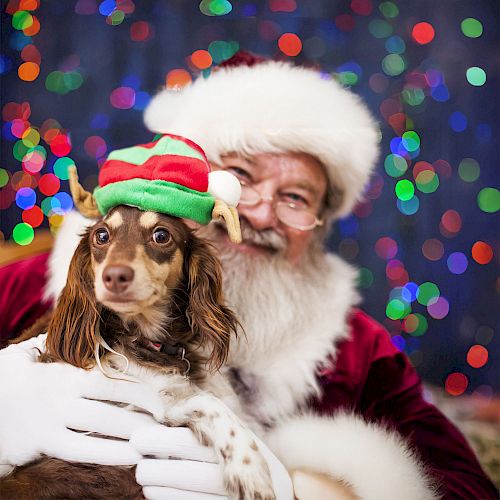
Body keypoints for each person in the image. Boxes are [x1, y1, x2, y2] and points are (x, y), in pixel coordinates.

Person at [0, 52, 497, 499]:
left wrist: (315, 492)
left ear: (319, 224)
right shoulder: (49, 282)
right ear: (181, 186)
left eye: (296, 198)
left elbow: (466, 485)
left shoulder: (355, 350)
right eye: (239, 178)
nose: (259, 215)